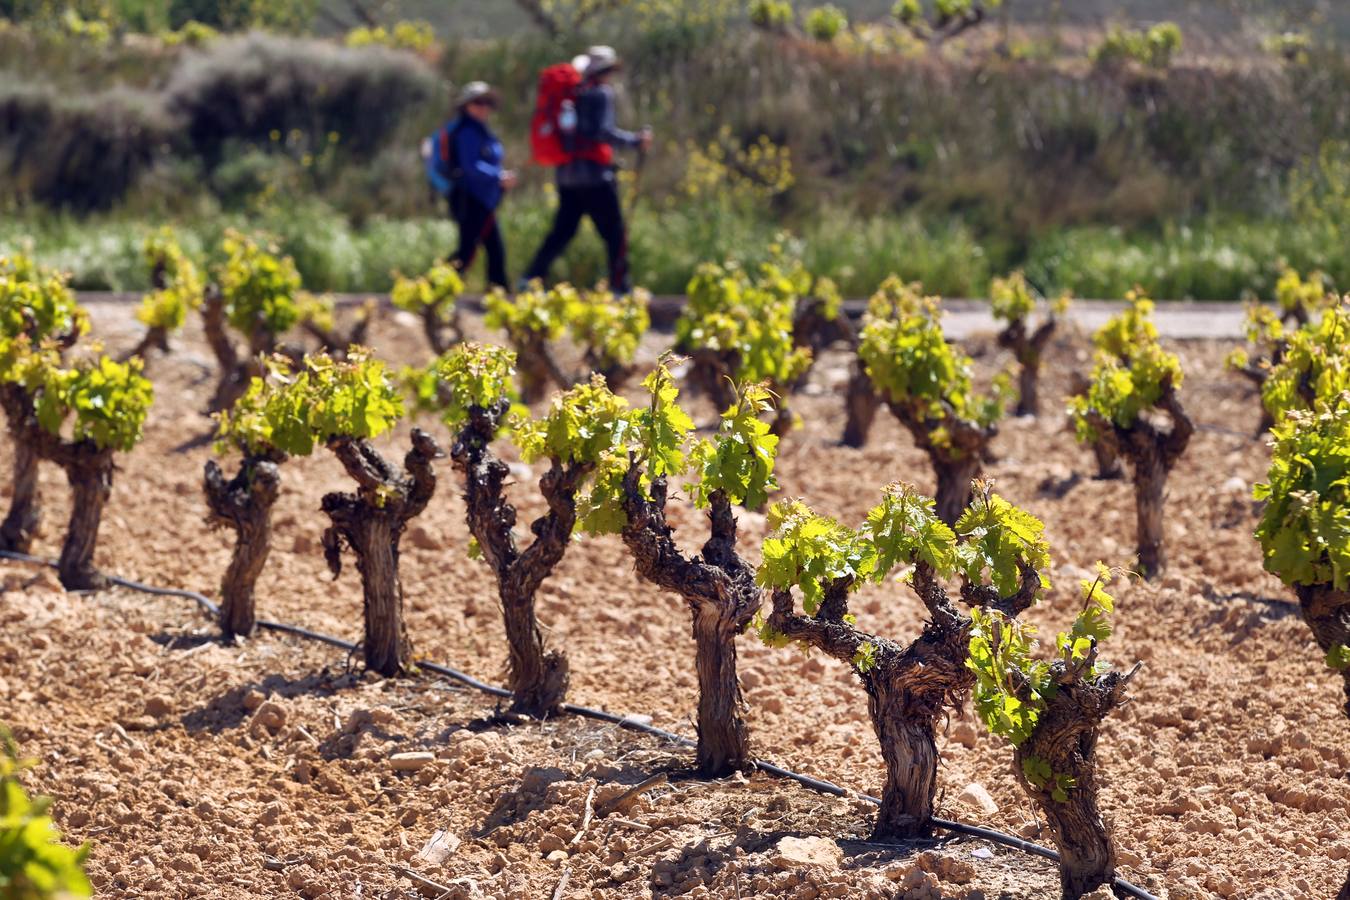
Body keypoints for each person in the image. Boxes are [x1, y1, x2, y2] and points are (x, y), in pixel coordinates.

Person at [520, 46, 652, 294]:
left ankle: (530, 277)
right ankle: (620, 286)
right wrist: (635, 141)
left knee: (562, 232)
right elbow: (601, 132)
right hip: (595, 176)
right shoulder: (601, 93)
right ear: (606, 70)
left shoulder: (573, 95)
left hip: (567, 176)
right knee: (614, 232)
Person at [432, 81, 515, 289]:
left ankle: (497, 293)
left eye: (487, 103)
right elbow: (470, 167)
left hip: (485, 199)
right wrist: (498, 177)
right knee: (468, 251)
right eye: (477, 102)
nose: (483, 107)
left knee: (491, 249)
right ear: (466, 106)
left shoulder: (483, 131)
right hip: (470, 199)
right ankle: (433, 289)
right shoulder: (467, 132)